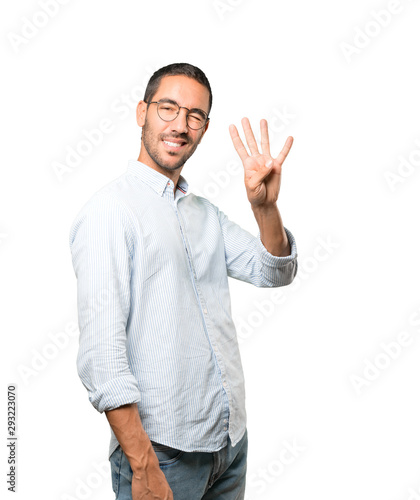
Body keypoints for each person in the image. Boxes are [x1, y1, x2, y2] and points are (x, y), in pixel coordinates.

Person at [69, 62, 298, 500]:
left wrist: (265, 208)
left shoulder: (204, 213)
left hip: (227, 446)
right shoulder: (110, 212)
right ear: (142, 112)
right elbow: (102, 357)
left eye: (194, 115)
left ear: (204, 128)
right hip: (162, 454)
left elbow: (275, 271)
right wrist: (142, 464)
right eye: (168, 108)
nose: (180, 125)